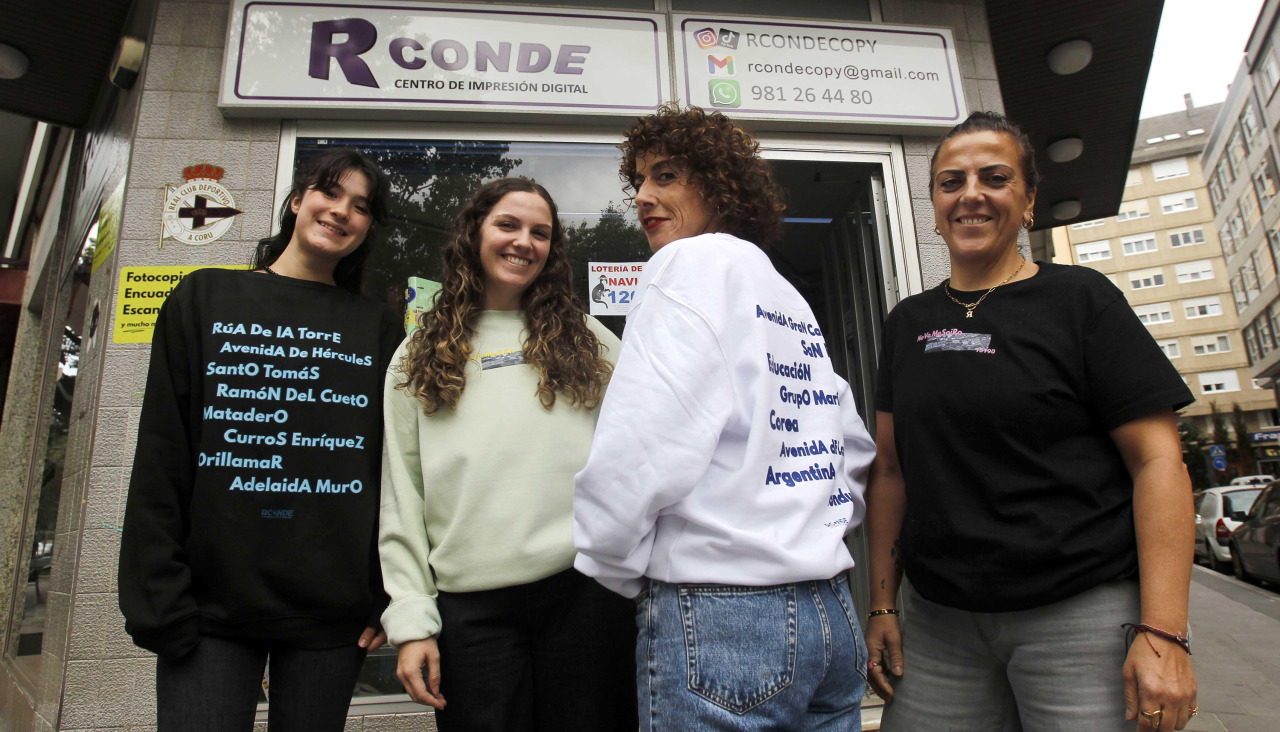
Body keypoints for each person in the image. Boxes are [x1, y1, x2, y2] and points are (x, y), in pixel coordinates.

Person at [865, 111, 1199, 731]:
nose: (970, 194)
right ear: (935, 203)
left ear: (1028, 200)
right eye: (950, 181)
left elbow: (1159, 462)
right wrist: (883, 603)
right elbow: (890, 468)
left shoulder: (1081, 300)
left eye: (994, 177)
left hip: (1079, 617)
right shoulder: (907, 322)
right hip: (938, 625)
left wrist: (1163, 632)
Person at [573, 104, 877, 730]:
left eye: (666, 176)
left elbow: (642, 444)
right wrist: (809, 530)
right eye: (639, 183)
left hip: (725, 619)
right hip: (830, 615)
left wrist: (608, 562)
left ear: (718, 184)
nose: (645, 198)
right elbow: (852, 447)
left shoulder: (687, 266)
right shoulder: (785, 293)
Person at [118, 148, 404, 731]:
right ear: (297, 200)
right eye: (330, 192)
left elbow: (391, 470)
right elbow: (163, 453)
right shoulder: (203, 298)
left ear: (367, 227)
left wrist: (384, 594)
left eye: (361, 206)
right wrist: (161, 596)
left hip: (331, 618)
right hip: (207, 613)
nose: (341, 211)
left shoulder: (377, 326)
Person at [379, 177, 635, 731]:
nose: (524, 241)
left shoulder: (589, 340)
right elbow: (402, 493)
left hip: (585, 597)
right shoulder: (417, 351)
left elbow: (642, 450)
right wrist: (412, 619)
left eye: (540, 233)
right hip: (472, 612)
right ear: (474, 233)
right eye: (508, 225)